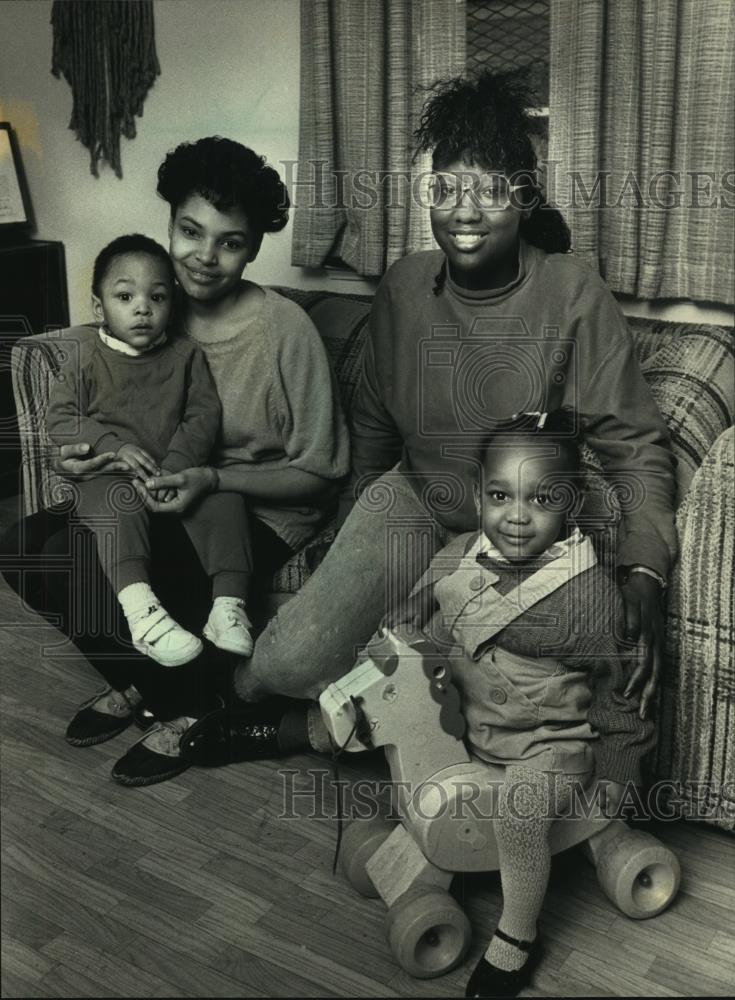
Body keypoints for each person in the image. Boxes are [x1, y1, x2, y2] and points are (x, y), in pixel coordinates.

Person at [183, 70, 676, 792]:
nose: (464, 212)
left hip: (511, 527)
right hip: (414, 498)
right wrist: (350, 542)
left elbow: (633, 447)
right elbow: (377, 427)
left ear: (525, 196)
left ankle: (298, 733)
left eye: (490, 190)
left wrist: (644, 570)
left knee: (474, 692)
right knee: (287, 661)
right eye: (444, 189)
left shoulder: (572, 294)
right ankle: (219, 700)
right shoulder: (404, 286)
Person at [0, 137, 349, 784]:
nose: (206, 257)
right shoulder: (160, 303)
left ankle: (186, 709)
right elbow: (110, 402)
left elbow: (322, 470)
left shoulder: (284, 331)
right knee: (23, 543)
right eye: (190, 232)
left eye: (230, 242)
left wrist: (212, 477)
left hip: (257, 510)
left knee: (77, 560)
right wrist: (84, 462)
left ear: (254, 246)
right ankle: (141, 685)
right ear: (169, 223)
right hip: (161, 490)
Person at [391, 410, 651, 997]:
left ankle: (517, 933)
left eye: (540, 500)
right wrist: (414, 613)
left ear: (570, 502)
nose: (515, 516)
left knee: (519, 811)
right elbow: (441, 598)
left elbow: (626, 686)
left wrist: (616, 773)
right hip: (480, 730)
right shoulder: (463, 550)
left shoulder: (588, 598)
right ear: (480, 490)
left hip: (552, 747)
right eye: (500, 495)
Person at [47, 233, 259, 668]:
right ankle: (143, 615)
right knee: (117, 506)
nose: (142, 307)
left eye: (157, 297)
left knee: (226, 500)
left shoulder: (185, 356)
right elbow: (61, 418)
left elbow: (203, 417)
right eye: (125, 296)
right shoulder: (84, 355)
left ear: (172, 303)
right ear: (98, 306)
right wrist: (112, 446)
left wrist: (179, 465)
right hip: (108, 475)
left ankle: (228, 608)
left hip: (175, 474)